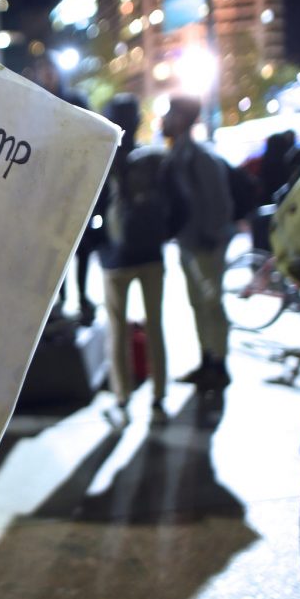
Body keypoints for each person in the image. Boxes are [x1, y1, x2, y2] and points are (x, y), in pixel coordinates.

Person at [97, 94, 185, 427]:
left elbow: (91, 210)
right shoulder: (154, 159)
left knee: (117, 329)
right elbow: (181, 205)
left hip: (115, 259)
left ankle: (122, 395)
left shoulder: (105, 160)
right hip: (151, 255)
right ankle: (160, 393)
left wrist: (100, 244)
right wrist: (163, 236)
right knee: (156, 324)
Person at [160, 95, 234, 391]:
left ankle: (219, 366)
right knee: (198, 304)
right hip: (190, 243)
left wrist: (211, 238)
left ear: (181, 119)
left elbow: (220, 202)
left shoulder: (199, 156)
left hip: (205, 245)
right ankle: (207, 362)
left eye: (169, 113)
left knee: (211, 304)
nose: (164, 119)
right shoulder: (178, 153)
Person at [29, 55, 101, 325]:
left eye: (50, 69)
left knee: (81, 246)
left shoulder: (77, 101)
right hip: (50, 190)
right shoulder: (38, 104)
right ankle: (59, 300)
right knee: (54, 249)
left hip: (78, 186)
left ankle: (82, 297)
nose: (47, 75)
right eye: (42, 69)